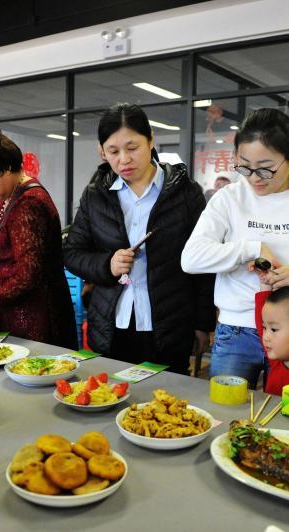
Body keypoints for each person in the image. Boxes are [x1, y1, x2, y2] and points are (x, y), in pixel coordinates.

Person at [181, 108, 289, 388]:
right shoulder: (229, 198)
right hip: (237, 330)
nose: (254, 178)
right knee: (226, 413)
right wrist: (251, 248)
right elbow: (191, 258)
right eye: (244, 166)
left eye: (266, 167)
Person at [64, 103, 215, 374]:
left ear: (151, 140)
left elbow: (204, 265)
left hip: (169, 326)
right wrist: (107, 264)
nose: (124, 159)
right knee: (110, 400)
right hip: (112, 324)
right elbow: (72, 253)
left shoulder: (185, 194)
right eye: (113, 151)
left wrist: (204, 324)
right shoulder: (96, 195)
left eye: (132, 148)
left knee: (167, 407)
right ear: (102, 152)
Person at [0, 124, 77, 348]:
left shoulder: (29, 203)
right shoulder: (8, 198)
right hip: (14, 314)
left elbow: (27, 274)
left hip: (36, 319)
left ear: (6, 167)